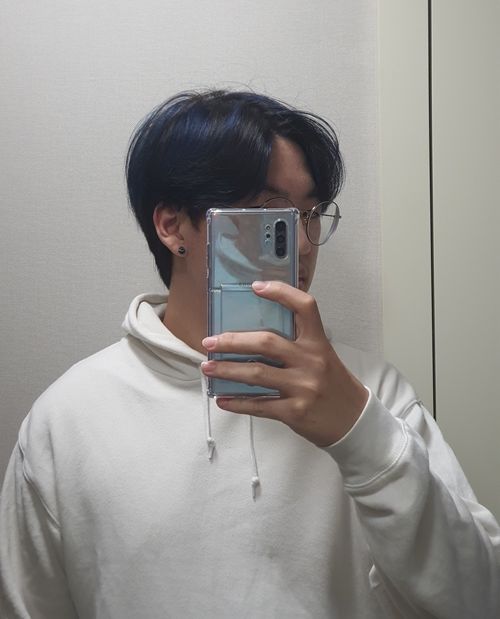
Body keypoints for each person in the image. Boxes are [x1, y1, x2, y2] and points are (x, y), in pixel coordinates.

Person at [0, 89, 499, 619]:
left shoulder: (372, 391)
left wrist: (360, 434)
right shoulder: (68, 419)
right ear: (172, 226)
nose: (302, 244)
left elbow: (479, 598)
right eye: (269, 215)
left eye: (310, 214)